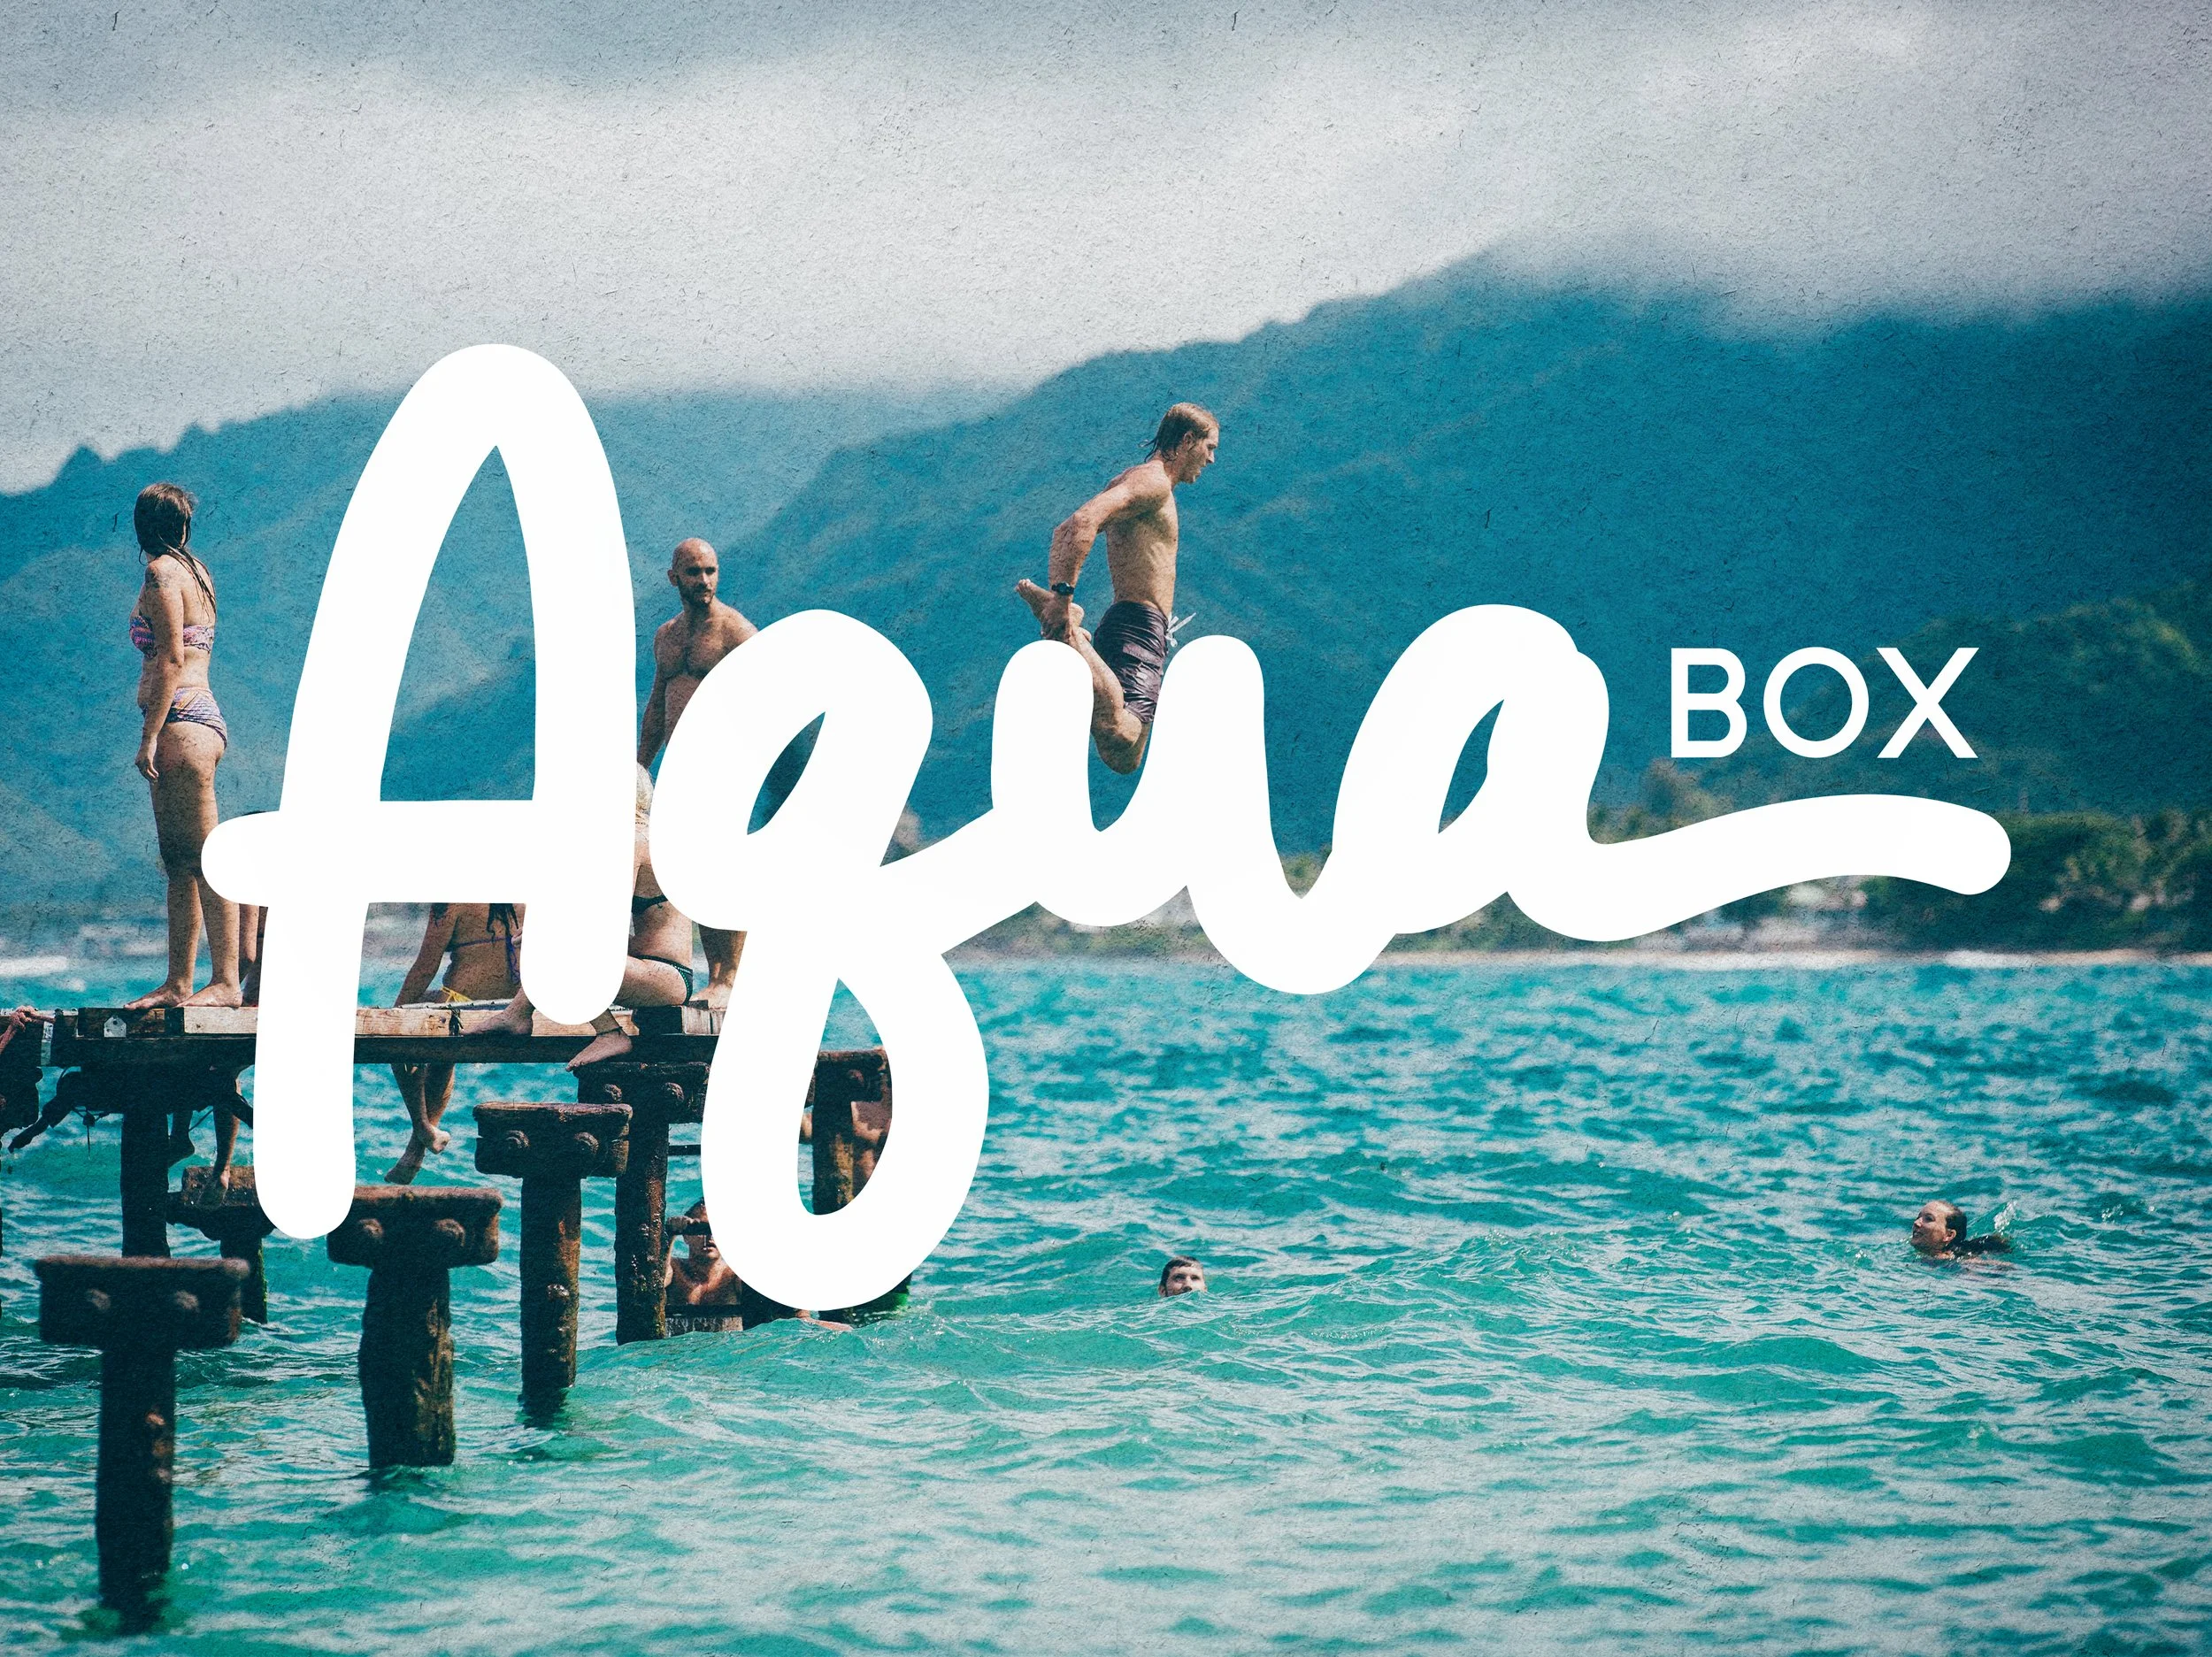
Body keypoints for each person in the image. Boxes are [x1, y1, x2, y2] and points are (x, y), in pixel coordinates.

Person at [1015, 404, 1220, 773]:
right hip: (1137, 622)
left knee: (1125, 756)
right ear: (1188, 440)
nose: (1211, 459)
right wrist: (1062, 598)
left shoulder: (1144, 481)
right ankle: (1070, 635)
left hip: (1140, 624)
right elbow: (1079, 522)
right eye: (1209, 447)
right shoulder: (1152, 483)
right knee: (1120, 735)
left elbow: (1065, 528)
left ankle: (1071, 631)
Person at [483, 767, 690, 1070]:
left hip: (666, 977)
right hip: (656, 970)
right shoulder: (647, 837)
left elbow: (610, 926)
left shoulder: (634, 840)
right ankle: (517, 1014)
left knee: (553, 943)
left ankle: (609, 1033)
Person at [124, 483, 241, 1009]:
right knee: (179, 861)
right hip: (191, 720)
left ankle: (226, 982)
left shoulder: (161, 574)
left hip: (181, 721)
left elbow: (171, 658)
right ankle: (178, 982)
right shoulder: (195, 571)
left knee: (204, 859)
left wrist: (148, 736)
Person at [638, 538, 757, 1009]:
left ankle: (731, 977)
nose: (704, 581)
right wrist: (639, 767)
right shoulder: (667, 636)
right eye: (694, 572)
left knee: (722, 867)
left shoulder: (736, 633)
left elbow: (768, 699)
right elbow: (656, 705)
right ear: (674, 578)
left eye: (710, 571)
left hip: (723, 766)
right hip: (680, 768)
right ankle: (711, 973)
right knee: (692, 870)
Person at [386, 902, 526, 1182]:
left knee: (397, 1041)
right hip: (518, 1006)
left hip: (464, 1005)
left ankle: (423, 1129)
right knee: (441, 1059)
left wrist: (394, 1013)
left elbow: (426, 966)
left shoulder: (453, 900)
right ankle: (416, 1153)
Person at [664, 1200, 741, 1307]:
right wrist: (670, 1235)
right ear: (686, 1236)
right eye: (701, 1229)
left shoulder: (733, 1275)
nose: (710, 1237)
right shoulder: (674, 1269)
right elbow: (656, 1282)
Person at [1910, 1199, 2011, 1259]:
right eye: (1919, 1217)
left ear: (1949, 1235)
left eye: (1928, 1219)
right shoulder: (1929, 1257)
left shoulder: (1962, 1264)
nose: (1916, 1223)